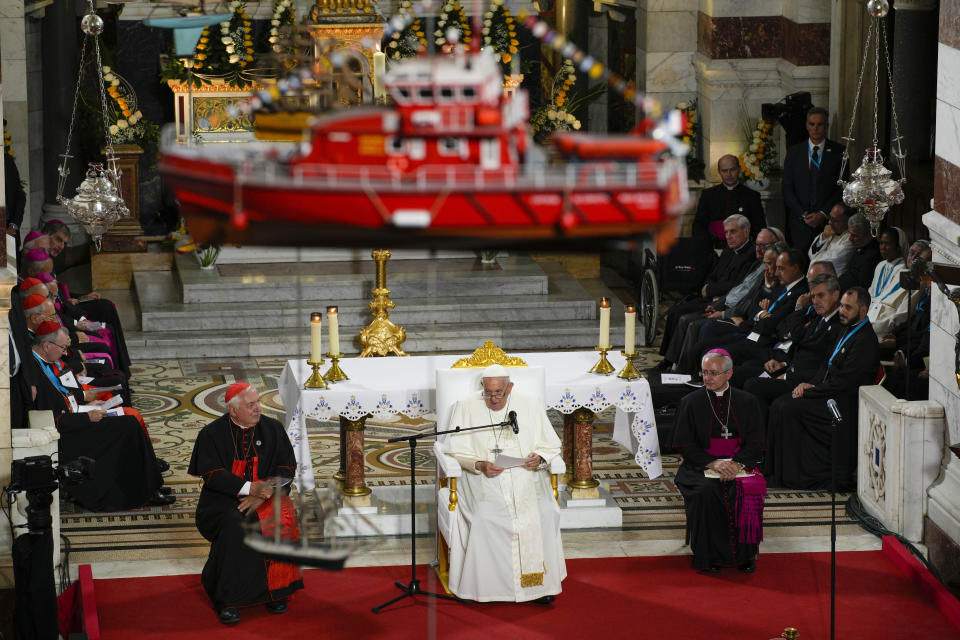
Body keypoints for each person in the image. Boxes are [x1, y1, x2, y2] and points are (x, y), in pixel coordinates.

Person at [443, 364, 565, 603]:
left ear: (510, 387)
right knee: (485, 518)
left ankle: (538, 587)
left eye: (499, 392)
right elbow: (453, 448)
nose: (493, 398)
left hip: (525, 476)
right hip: (484, 478)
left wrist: (539, 458)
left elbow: (551, 444)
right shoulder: (466, 406)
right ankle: (487, 589)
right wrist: (479, 464)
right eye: (488, 392)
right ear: (482, 388)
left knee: (545, 512)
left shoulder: (529, 404)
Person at [188, 383, 303, 625]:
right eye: (250, 405)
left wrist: (262, 493)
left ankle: (276, 591)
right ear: (233, 411)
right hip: (222, 501)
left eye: (258, 403)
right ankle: (228, 600)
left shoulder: (272, 428)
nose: (258, 409)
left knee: (278, 519)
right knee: (235, 525)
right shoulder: (211, 434)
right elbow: (212, 474)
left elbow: (286, 468)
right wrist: (249, 488)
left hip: (268, 495)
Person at [29, 322, 172, 510]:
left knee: (127, 422)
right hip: (68, 435)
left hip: (76, 418)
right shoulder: (34, 372)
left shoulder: (44, 361)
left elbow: (63, 398)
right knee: (128, 425)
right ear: (47, 346)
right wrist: (87, 417)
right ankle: (146, 490)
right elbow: (52, 419)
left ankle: (150, 484)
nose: (65, 353)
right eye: (63, 348)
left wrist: (86, 407)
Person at [764, 287, 880, 490]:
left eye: (848, 307)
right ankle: (774, 471)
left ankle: (795, 476)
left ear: (863, 310)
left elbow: (845, 382)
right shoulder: (846, 328)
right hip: (829, 393)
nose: (842, 311)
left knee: (789, 408)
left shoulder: (866, 340)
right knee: (779, 403)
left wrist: (811, 392)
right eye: (842, 306)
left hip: (844, 403)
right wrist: (809, 384)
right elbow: (825, 365)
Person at [673, 350, 765, 573]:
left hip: (739, 464)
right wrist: (712, 463)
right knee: (706, 491)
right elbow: (685, 444)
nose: (708, 378)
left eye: (714, 373)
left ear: (729, 374)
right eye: (705, 372)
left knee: (748, 488)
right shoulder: (690, 402)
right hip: (700, 466)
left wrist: (738, 464)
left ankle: (745, 555)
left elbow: (756, 441)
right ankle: (708, 557)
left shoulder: (748, 401)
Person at [658, 214, 757, 370]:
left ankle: (679, 365)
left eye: (733, 232)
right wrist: (707, 286)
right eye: (726, 232)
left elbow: (737, 285)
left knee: (684, 318)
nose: (728, 237)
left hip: (721, 301)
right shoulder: (728, 250)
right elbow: (713, 273)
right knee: (675, 311)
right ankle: (667, 359)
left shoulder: (752, 254)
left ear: (746, 232)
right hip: (710, 296)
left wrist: (711, 290)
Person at [782, 107, 845, 253]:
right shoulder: (794, 152)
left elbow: (841, 187)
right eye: (812, 124)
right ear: (806, 126)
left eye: (820, 124)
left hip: (827, 224)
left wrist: (823, 213)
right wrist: (803, 214)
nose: (815, 128)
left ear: (826, 126)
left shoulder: (839, 152)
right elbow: (787, 188)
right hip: (800, 223)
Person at [692, 155, 766, 248]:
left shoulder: (752, 196)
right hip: (713, 247)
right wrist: (706, 244)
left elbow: (759, 227)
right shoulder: (708, 195)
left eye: (732, 170)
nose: (729, 174)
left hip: (742, 250)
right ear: (719, 171)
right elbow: (699, 225)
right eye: (724, 171)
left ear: (739, 169)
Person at [866, 227, 910, 335]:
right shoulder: (880, 265)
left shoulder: (906, 271)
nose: (883, 248)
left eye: (888, 244)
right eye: (881, 243)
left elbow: (903, 308)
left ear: (898, 247)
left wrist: (886, 326)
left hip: (886, 324)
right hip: (869, 316)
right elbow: (871, 295)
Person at [838, 213, 882, 292]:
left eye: (855, 236)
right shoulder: (860, 247)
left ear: (869, 234)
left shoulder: (873, 257)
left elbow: (863, 288)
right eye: (850, 234)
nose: (850, 239)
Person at [808, 204, 856, 276]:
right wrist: (824, 237)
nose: (829, 222)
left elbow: (830, 260)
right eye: (830, 217)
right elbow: (811, 254)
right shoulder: (830, 231)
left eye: (835, 220)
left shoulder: (851, 238)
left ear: (847, 222)